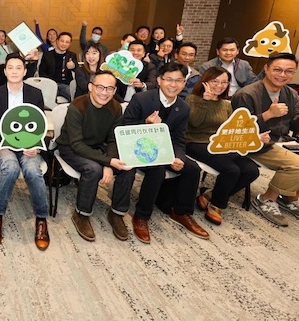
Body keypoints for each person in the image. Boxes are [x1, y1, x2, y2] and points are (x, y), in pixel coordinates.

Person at [123, 62, 209, 243]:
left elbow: (179, 139)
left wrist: (178, 156)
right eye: (169, 79)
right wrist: (145, 125)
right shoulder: (142, 99)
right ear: (159, 80)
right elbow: (124, 128)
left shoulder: (183, 107)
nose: (173, 85)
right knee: (158, 168)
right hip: (140, 148)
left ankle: (181, 212)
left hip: (165, 149)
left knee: (192, 168)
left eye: (179, 80)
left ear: (184, 83)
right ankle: (141, 215)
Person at [56, 70, 135, 242]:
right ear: (91, 87)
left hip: (98, 146)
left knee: (128, 167)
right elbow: (77, 144)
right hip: (70, 147)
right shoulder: (77, 106)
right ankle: (81, 214)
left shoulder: (116, 108)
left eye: (109, 88)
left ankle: (117, 213)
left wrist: (109, 164)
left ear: (114, 91)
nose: (104, 92)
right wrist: (108, 161)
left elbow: (113, 140)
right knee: (93, 169)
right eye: (100, 87)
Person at [0, 53, 50, 250]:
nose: (14, 71)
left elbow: (40, 124)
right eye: (10, 68)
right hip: (4, 144)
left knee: (32, 170)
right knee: (11, 168)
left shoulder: (35, 94)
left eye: (18, 68)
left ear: (25, 71)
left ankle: (41, 219)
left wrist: (36, 145)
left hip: (29, 144)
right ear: (5, 71)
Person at [186, 67, 264, 225]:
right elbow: (194, 123)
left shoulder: (226, 105)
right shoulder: (192, 99)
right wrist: (205, 101)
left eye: (224, 82)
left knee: (251, 170)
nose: (220, 85)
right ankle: (217, 205)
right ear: (205, 81)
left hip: (221, 144)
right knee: (232, 170)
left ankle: (210, 195)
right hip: (196, 142)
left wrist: (255, 136)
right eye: (215, 81)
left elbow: (231, 128)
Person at [232, 52, 299, 226]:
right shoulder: (246, 94)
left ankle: (290, 196)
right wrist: (268, 115)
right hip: (252, 143)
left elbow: (294, 122)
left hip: (277, 140)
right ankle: (267, 198)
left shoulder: (291, 94)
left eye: (289, 71)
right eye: (277, 70)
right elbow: (237, 129)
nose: (282, 75)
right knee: (296, 164)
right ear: (266, 68)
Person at [39, 32, 78, 101]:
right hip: (51, 84)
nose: (64, 44)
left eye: (67, 42)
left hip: (66, 84)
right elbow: (41, 72)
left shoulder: (72, 55)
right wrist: (50, 83)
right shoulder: (47, 55)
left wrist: (73, 66)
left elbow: (78, 70)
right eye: (62, 41)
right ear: (57, 41)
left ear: (70, 44)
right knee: (49, 99)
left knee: (75, 99)